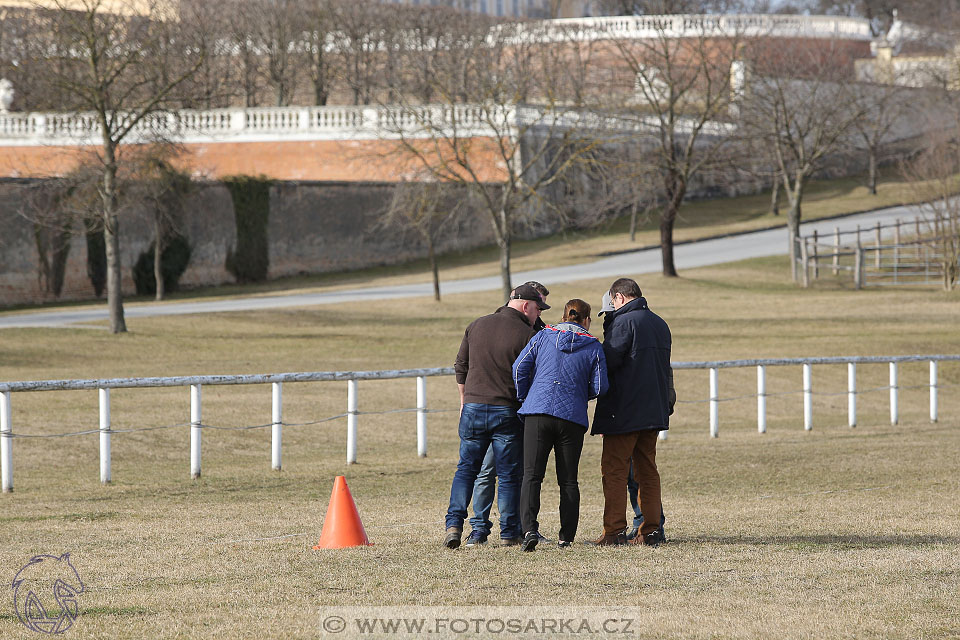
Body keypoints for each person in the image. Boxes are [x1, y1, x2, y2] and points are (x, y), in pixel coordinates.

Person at [444, 284, 550, 549]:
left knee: (466, 470)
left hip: (473, 406)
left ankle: (454, 525)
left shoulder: (476, 325)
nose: (538, 315)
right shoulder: (527, 334)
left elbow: (461, 366)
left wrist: (463, 400)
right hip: (506, 409)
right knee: (508, 475)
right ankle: (508, 532)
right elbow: (533, 376)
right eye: (537, 309)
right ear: (526, 306)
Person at [512, 299, 607, 551]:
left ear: (564, 316)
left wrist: (527, 395)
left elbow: (520, 367)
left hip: (537, 412)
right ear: (586, 320)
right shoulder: (593, 346)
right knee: (568, 480)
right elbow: (599, 386)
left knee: (532, 475)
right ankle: (566, 536)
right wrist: (578, 394)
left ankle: (530, 529)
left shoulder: (543, 337)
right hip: (572, 418)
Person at [591, 278, 675, 547]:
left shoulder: (623, 322)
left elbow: (609, 361)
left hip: (624, 412)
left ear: (619, 297)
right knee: (647, 471)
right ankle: (650, 530)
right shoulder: (660, 323)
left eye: (613, 303)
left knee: (614, 471)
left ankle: (614, 531)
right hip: (653, 411)